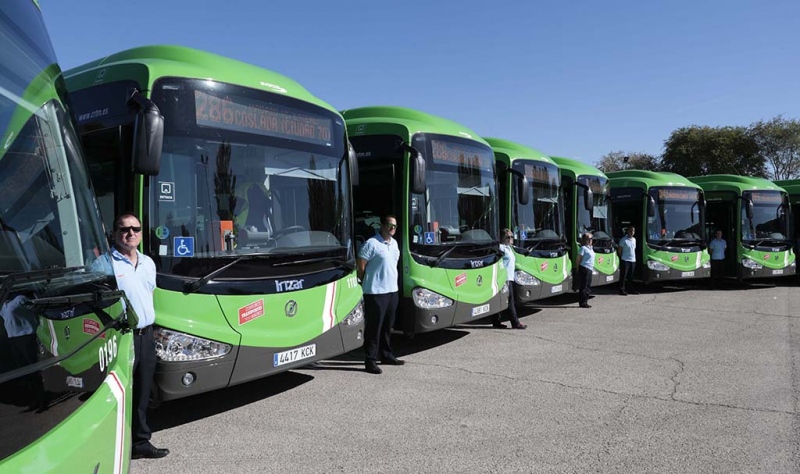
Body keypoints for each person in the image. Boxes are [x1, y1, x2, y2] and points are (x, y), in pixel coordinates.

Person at [111, 213, 169, 459]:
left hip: (145, 336)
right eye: (125, 229)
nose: (131, 233)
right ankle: (115, 440)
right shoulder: (105, 264)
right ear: (115, 234)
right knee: (119, 390)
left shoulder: (148, 263)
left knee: (143, 389)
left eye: (136, 229)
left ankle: (140, 443)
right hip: (122, 336)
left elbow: (149, 295)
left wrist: (155, 330)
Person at [357, 214, 403, 375]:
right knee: (373, 329)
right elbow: (361, 264)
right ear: (382, 225)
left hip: (392, 291)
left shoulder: (394, 243)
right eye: (390, 225)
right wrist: (364, 281)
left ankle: (386, 355)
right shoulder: (372, 243)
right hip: (376, 292)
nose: (392, 228)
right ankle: (370, 360)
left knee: (387, 326)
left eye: (395, 226)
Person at [492, 229, 526, 329]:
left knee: (502, 299)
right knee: (510, 300)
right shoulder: (501, 247)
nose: (510, 239)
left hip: (510, 278)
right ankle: (515, 323)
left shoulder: (510, 248)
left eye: (512, 237)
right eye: (508, 237)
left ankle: (496, 321)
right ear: (502, 238)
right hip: (505, 278)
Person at [576, 233, 595, 308]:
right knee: (584, 286)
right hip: (584, 268)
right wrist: (577, 268)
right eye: (589, 239)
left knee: (588, 286)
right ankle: (582, 302)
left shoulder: (591, 248)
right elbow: (578, 259)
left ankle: (585, 301)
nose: (591, 240)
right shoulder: (583, 248)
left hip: (590, 268)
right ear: (585, 240)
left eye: (591, 239)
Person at [617, 226, 637, 295]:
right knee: (623, 276)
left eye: (633, 231)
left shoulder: (634, 240)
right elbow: (619, 250)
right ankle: (621, 290)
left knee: (631, 276)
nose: (632, 232)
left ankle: (630, 289)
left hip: (633, 260)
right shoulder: (623, 240)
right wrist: (622, 257)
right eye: (631, 231)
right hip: (625, 260)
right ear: (628, 231)